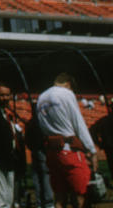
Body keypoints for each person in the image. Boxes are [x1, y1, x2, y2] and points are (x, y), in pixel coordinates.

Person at [36, 73, 98, 208]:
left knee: (59, 195)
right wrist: (91, 150)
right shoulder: (66, 94)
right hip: (68, 149)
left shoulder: (41, 97)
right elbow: (78, 122)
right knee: (81, 193)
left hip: (51, 150)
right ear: (69, 84)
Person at [25, 103, 54, 208]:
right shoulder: (42, 122)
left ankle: (40, 202)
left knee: (37, 178)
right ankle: (48, 202)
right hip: (42, 151)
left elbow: (27, 141)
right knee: (45, 177)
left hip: (35, 152)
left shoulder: (30, 123)